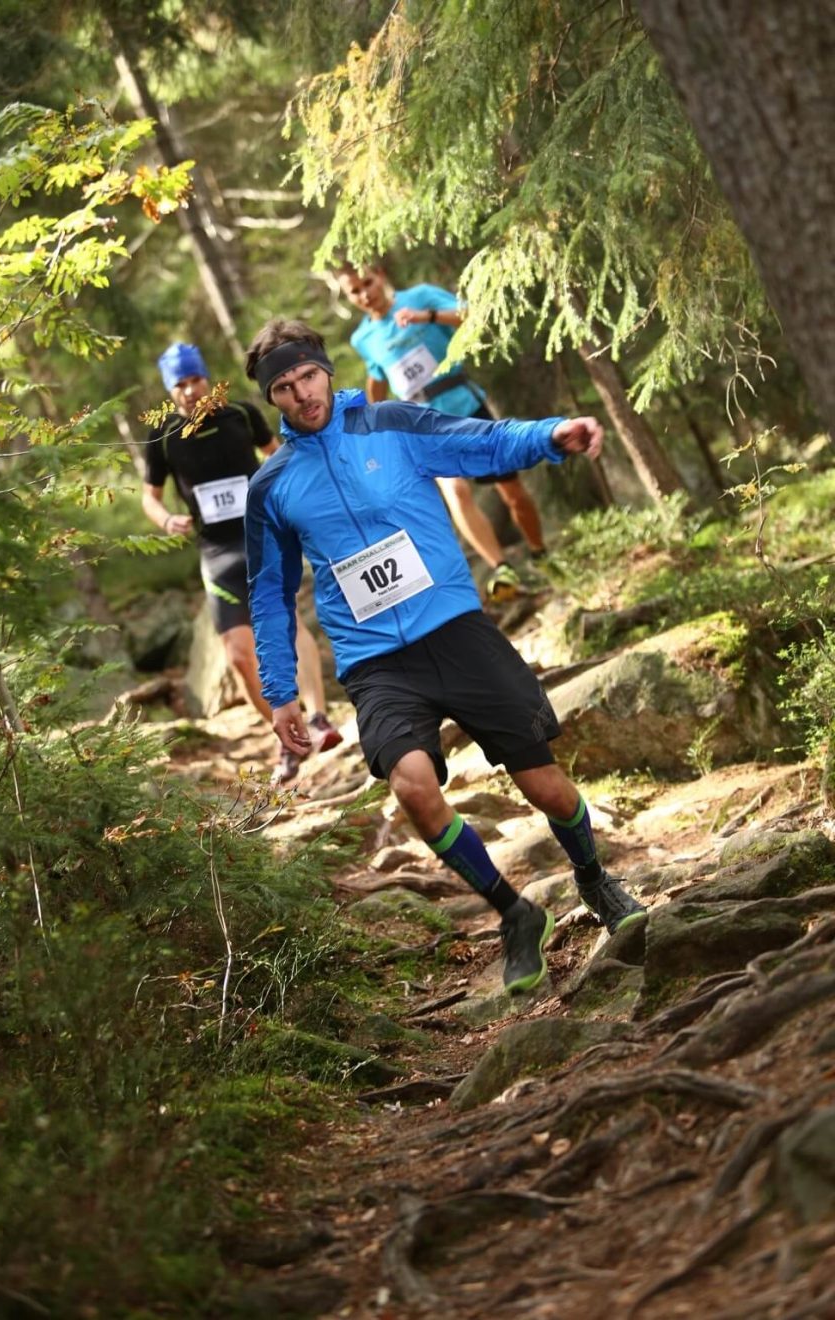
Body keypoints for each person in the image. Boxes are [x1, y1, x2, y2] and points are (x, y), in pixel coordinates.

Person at [243, 319, 645, 994]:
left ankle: (594, 878)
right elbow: (269, 593)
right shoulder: (272, 486)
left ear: (327, 371)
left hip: (455, 630)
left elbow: (481, 442)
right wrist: (280, 692)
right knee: (411, 788)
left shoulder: (390, 425)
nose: (302, 394)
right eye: (283, 387)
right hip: (376, 663)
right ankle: (515, 913)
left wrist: (551, 436)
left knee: (545, 787)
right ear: (271, 399)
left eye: (308, 376)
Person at [142, 341, 342, 783]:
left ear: (207, 378)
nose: (190, 390)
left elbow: (278, 455)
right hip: (216, 553)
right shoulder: (165, 438)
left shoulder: (241, 415)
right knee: (238, 655)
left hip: (262, 536)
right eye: (180, 384)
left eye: (195, 379)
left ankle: (318, 717)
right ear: (170, 390)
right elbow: (149, 497)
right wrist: (166, 519)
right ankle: (287, 736)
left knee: (288, 623)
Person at [336, 262, 549, 604]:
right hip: (423, 425)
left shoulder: (420, 296)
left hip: (465, 406)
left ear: (381, 276)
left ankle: (540, 554)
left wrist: (427, 317)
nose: (365, 294)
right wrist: (372, 425)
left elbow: (470, 316)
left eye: (368, 283)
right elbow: (377, 377)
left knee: (513, 493)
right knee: (457, 491)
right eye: (355, 291)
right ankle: (502, 569)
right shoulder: (363, 338)